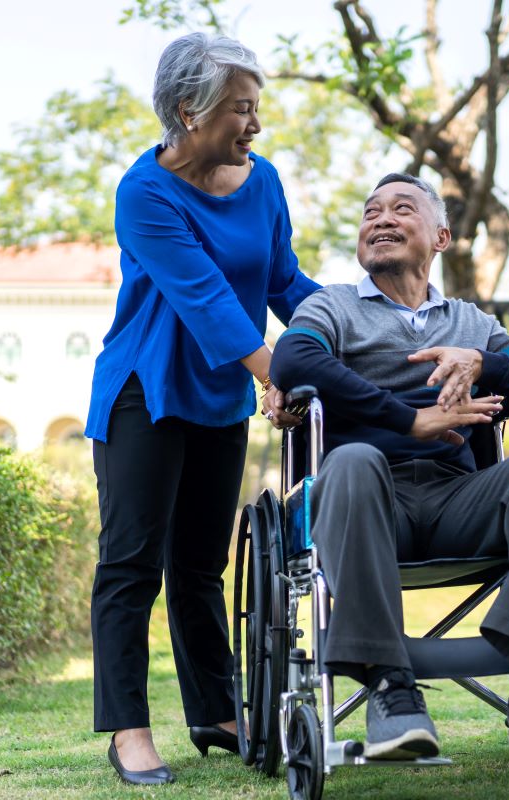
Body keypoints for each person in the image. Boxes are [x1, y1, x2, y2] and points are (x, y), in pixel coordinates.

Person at [266, 172, 509, 760]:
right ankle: (389, 688)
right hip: (368, 503)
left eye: (401, 209)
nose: (380, 219)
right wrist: (410, 421)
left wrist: (481, 361)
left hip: (460, 499)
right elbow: (295, 357)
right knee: (352, 460)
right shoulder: (332, 306)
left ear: (441, 237)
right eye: (370, 211)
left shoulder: (470, 321)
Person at [84, 33, 320, 785]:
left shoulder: (265, 181)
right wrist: (273, 373)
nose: (255, 125)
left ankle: (214, 712)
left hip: (218, 396)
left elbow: (283, 280)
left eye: (256, 108)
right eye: (241, 109)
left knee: (199, 566)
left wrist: (351, 328)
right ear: (189, 111)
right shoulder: (145, 193)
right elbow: (207, 303)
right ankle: (127, 731)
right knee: (131, 565)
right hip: (144, 393)